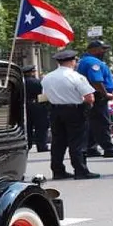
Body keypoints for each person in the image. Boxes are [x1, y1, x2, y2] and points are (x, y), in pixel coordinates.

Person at [41, 49, 100, 180]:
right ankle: (80, 170)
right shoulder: (76, 76)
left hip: (55, 110)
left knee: (58, 142)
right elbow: (89, 97)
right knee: (77, 141)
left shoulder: (47, 77)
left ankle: (58, 170)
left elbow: (44, 96)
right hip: (75, 110)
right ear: (73, 61)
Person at [77, 40, 113, 158]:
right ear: (93, 50)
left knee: (93, 123)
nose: (104, 51)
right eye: (102, 49)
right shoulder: (92, 62)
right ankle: (109, 149)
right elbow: (96, 81)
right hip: (98, 96)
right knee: (102, 123)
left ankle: (91, 148)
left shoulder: (86, 60)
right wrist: (105, 93)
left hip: (93, 95)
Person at [23, 65, 49, 152]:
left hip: (25, 106)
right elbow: (42, 94)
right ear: (32, 72)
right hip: (37, 105)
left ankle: (28, 144)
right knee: (41, 127)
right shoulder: (37, 82)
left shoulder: (21, 82)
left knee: (27, 126)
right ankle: (42, 145)